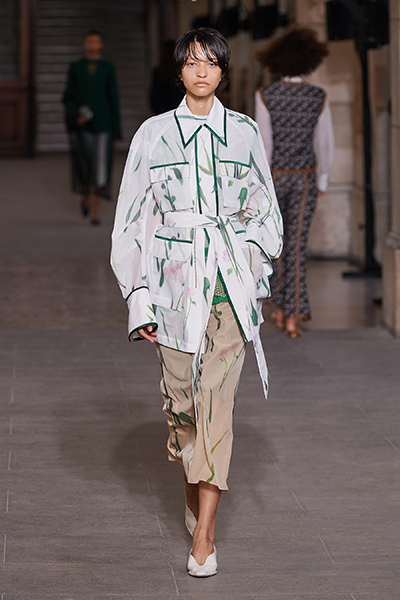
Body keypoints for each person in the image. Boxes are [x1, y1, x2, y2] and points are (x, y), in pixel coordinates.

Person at [111, 28, 283, 577]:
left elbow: (265, 207)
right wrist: (138, 298)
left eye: (210, 62)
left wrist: (252, 263)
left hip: (228, 287)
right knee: (183, 408)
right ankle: (196, 498)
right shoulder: (154, 134)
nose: (201, 71)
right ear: (179, 71)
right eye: (191, 62)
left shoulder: (245, 131)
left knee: (217, 403)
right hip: (171, 289)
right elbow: (132, 220)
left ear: (223, 71)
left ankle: (204, 535)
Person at [255, 27, 334, 337]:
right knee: (297, 247)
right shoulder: (317, 96)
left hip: (274, 177)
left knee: (274, 244)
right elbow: (325, 141)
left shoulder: (266, 95)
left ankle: (278, 305)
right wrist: (323, 178)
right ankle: (293, 315)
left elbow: (264, 144)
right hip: (305, 178)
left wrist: (261, 184)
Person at [62, 29, 121, 225]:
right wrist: (76, 114)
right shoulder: (76, 67)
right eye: (90, 41)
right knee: (85, 165)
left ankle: (96, 210)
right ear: (84, 44)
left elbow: (114, 98)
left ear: (101, 44)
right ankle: (85, 195)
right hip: (83, 125)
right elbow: (67, 96)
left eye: (96, 41)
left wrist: (116, 131)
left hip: (104, 124)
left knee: (101, 168)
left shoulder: (107, 68)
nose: (93, 45)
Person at [149, 40, 185, 114]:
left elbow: (154, 98)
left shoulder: (159, 72)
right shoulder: (179, 72)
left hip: (163, 112)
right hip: (177, 110)